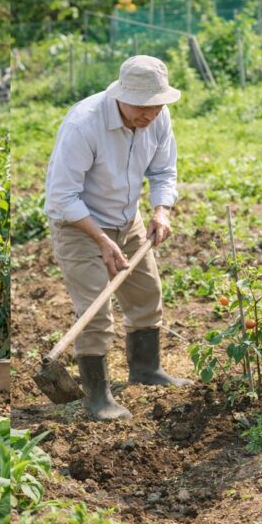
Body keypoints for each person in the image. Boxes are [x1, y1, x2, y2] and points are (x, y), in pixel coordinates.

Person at [44, 55, 193, 421]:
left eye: (157, 105)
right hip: (78, 224)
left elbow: (164, 170)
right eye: (142, 106)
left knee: (147, 293)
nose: (150, 114)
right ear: (120, 96)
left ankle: (146, 369)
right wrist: (100, 239)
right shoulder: (84, 124)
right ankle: (97, 396)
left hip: (128, 218)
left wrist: (161, 210)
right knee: (96, 311)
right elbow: (62, 196)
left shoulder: (157, 118)